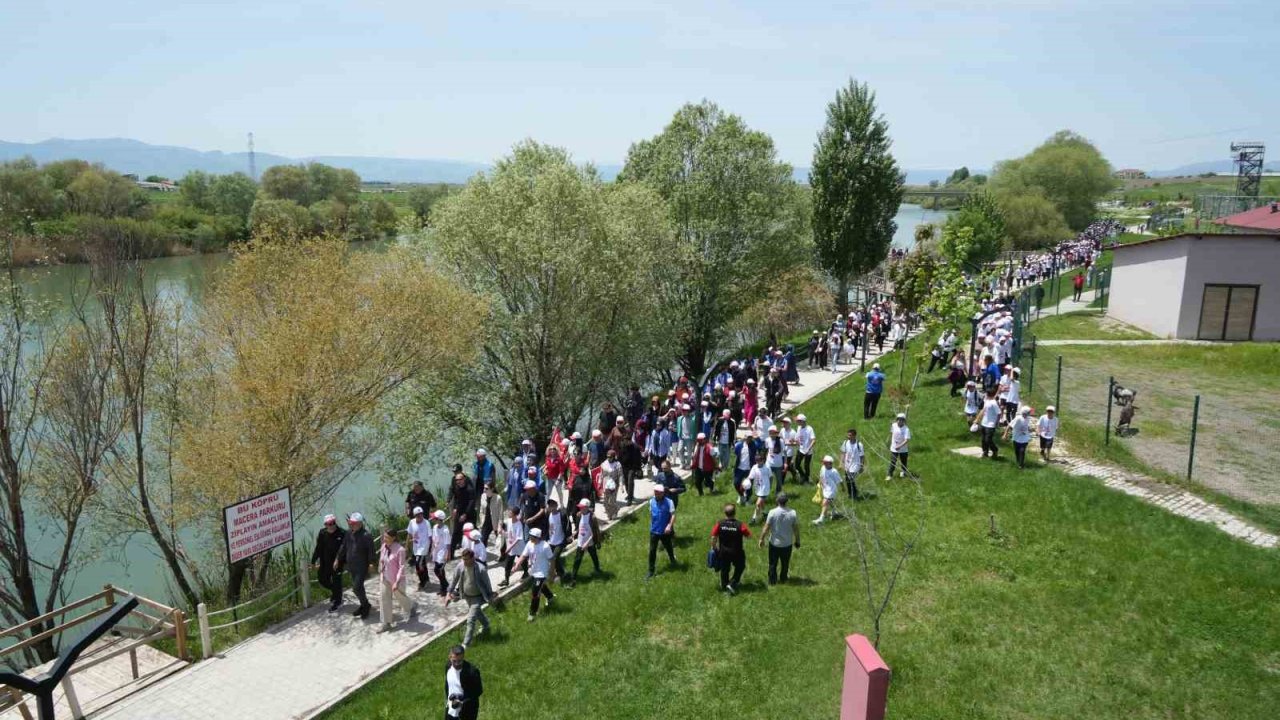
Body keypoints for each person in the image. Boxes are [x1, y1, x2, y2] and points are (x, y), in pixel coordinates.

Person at [445, 548, 493, 648]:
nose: (465, 561)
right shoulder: (461, 566)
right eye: (463, 559)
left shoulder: (481, 569)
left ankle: (465, 644)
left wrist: (490, 596)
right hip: (466, 596)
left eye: (467, 559)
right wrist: (448, 594)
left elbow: (487, 584)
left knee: (470, 619)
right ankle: (486, 625)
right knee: (477, 613)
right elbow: (454, 580)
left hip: (477, 597)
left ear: (473, 558)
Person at [512, 527, 555, 622]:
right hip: (534, 571)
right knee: (540, 586)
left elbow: (552, 560)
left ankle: (532, 613)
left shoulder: (545, 546)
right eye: (530, 536)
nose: (530, 538)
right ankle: (550, 597)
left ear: (538, 537)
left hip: (542, 572)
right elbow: (523, 556)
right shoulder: (529, 544)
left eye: (532, 537)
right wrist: (516, 565)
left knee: (535, 592)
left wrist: (552, 573)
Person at [336, 512, 374, 618]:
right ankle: (364, 605)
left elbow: (371, 550)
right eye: (351, 523)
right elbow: (343, 547)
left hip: (361, 566)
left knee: (356, 588)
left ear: (360, 523)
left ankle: (365, 605)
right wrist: (337, 559)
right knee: (359, 588)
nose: (351, 525)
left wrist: (371, 563)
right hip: (351, 565)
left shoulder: (366, 535)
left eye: (354, 523)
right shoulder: (349, 533)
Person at [377, 528, 415, 632]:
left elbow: (402, 567)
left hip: (395, 580)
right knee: (384, 599)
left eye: (387, 537)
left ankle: (410, 606)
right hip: (384, 577)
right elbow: (381, 560)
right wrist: (380, 570)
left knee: (401, 598)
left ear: (393, 538)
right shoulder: (383, 547)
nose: (385, 539)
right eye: (384, 537)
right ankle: (386, 623)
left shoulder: (400, 550)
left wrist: (397, 582)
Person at [759, 493, 800, 585]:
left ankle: (772, 581)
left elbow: (766, 528)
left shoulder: (772, 512)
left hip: (774, 544)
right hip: (787, 544)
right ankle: (783, 578)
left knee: (772, 563)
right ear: (787, 501)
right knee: (785, 563)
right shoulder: (793, 513)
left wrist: (761, 539)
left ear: (777, 501)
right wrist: (797, 541)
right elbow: (796, 529)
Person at [711, 504, 751, 594]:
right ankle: (732, 583)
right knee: (740, 566)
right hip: (737, 552)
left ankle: (724, 585)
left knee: (724, 569)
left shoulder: (720, 524)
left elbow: (713, 537)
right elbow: (749, 536)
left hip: (723, 552)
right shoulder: (740, 525)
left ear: (725, 513)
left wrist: (714, 547)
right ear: (735, 513)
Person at [311, 514, 346, 612]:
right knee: (322, 580)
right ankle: (335, 592)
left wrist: (338, 560)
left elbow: (344, 549)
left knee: (336, 581)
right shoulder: (322, 533)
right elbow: (318, 548)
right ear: (325, 524)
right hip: (324, 562)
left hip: (337, 563)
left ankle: (337, 602)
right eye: (329, 524)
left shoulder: (342, 533)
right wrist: (313, 561)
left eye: (333, 523)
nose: (331, 525)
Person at [568, 499, 603, 587]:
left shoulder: (592, 517)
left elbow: (594, 533)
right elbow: (578, 528)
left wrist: (587, 543)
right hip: (581, 541)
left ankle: (597, 569)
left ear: (587, 507)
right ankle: (573, 579)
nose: (581, 509)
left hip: (589, 542)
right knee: (577, 560)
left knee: (594, 555)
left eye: (582, 507)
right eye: (580, 507)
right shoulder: (579, 515)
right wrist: (573, 534)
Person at [645, 485, 677, 580]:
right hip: (654, 531)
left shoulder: (669, 502)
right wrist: (652, 523)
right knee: (652, 551)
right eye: (655, 492)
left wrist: (669, 526)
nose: (656, 494)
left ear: (663, 493)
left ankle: (672, 559)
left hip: (665, 530)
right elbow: (651, 514)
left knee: (668, 546)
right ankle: (651, 571)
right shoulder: (651, 501)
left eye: (658, 492)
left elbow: (673, 515)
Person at [444, 645, 483, 720]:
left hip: (467, 710)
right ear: (450, 657)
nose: (457, 664)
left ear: (463, 657)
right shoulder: (448, 666)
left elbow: (478, 691)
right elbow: (448, 685)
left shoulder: (472, 672)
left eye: (460, 661)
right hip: (451, 707)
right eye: (454, 661)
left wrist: (462, 703)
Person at [499, 507, 526, 588]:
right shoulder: (509, 521)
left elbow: (518, 538)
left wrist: (510, 548)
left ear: (514, 514)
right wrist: (502, 531)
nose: (508, 513)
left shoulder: (519, 524)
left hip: (519, 547)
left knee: (522, 561)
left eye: (510, 512)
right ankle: (506, 580)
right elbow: (509, 533)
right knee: (508, 564)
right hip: (511, 547)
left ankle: (526, 572)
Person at [407, 506, 432, 591]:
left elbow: (430, 536)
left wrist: (430, 549)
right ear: (414, 515)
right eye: (417, 515)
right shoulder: (411, 522)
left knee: (418, 564)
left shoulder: (426, 523)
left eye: (421, 514)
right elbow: (409, 534)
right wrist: (408, 544)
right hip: (416, 547)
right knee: (422, 563)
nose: (420, 516)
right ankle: (426, 578)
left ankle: (422, 582)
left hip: (424, 547)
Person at [545, 498, 570, 583]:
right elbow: (548, 527)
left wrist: (568, 536)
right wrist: (547, 538)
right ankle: (562, 572)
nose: (551, 507)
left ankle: (553, 576)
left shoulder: (562, 515)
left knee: (554, 558)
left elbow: (567, 525)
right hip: (551, 541)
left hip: (560, 541)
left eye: (553, 505)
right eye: (549, 505)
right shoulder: (548, 515)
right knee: (554, 559)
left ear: (556, 505)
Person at [428, 510, 452, 597]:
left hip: (443, 551)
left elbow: (448, 543)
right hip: (436, 551)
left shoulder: (445, 530)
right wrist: (431, 550)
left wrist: (448, 554)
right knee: (438, 570)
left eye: (435, 518)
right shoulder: (434, 527)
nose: (433, 519)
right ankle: (445, 587)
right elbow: (434, 540)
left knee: (439, 570)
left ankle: (445, 588)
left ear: (439, 519)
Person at [814, 455, 842, 524]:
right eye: (824, 462)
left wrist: (843, 488)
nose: (824, 463)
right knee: (830, 502)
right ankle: (834, 511)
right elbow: (821, 475)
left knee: (825, 503)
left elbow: (840, 481)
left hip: (831, 490)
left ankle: (821, 518)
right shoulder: (823, 468)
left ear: (830, 463)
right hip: (825, 488)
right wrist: (819, 483)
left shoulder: (834, 471)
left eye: (826, 462)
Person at [478, 480, 504, 548]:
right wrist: (481, 521)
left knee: (500, 540)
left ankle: (504, 555)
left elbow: (501, 514)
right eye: (484, 488)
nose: (484, 490)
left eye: (486, 488)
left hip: (495, 522)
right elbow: (481, 511)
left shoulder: (498, 498)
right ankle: (482, 556)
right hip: (485, 522)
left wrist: (500, 526)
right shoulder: (483, 496)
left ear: (492, 489)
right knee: (482, 540)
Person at [839, 429, 864, 500]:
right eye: (848, 435)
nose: (848, 436)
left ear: (854, 436)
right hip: (847, 465)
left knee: (851, 479)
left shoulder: (859, 444)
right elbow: (843, 452)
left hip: (855, 465)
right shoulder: (845, 442)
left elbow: (862, 456)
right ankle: (850, 493)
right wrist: (841, 463)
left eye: (850, 435)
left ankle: (854, 494)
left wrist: (861, 466)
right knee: (847, 480)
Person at [749, 452, 772, 523]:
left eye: (760, 460)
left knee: (758, 503)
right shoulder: (754, 467)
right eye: (757, 461)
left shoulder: (767, 467)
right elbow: (750, 477)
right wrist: (746, 482)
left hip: (765, 488)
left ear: (763, 460)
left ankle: (754, 518)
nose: (758, 462)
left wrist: (770, 485)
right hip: (758, 488)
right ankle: (765, 513)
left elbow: (771, 477)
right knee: (761, 503)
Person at [887, 413, 912, 479]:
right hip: (894, 448)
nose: (899, 421)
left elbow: (906, 440)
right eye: (898, 419)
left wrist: (899, 446)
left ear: (904, 421)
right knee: (893, 461)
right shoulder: (893, 425)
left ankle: (903, 472)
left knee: (903, 462)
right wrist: (890, 441)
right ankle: (889, 475)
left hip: (903, 449)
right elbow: (891, 433)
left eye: (901, 420)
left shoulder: (906, 429)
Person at [980, 388, 1002, 459]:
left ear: (988, 394)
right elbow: (983, 410)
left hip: (991, 424)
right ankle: (985, 452)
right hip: (984, 423)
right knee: (983, 439)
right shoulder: (987, 401)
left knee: (988, 439)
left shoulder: (994, 403)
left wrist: (997, 423)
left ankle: (995, 450)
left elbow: (999, 413)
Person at [795, 414, 816, 485]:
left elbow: (813, 440)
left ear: (803, 421)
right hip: (801, 450)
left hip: (808, 451)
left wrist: (808, 449)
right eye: (797, 421)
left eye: (799, 421)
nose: (797, 422)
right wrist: (794, 441)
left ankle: (806, 479)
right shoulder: (798, 428)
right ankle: (803, 475)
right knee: (797, 465)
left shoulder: (809, 429)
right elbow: (797, 438)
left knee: (806, 466)